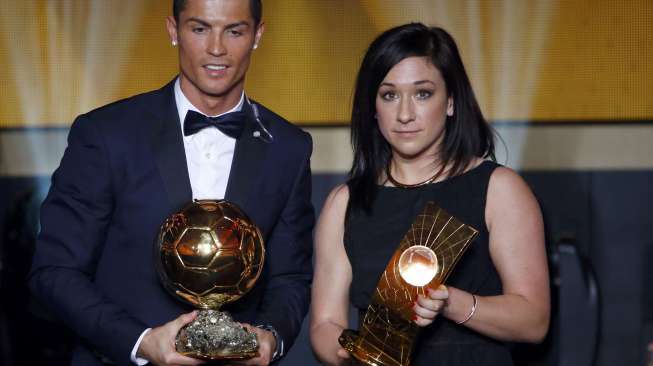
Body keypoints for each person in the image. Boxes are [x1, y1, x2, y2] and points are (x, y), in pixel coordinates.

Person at [29, 1, 314, 365]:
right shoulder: (106, 134)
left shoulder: (288, 147)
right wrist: (141, 342)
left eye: (234, 31)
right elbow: (54, 271)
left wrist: (271, 338)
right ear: (172, 30)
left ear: (257, 35)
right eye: (199, 29)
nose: (216, 48)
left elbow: (291, 277)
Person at [310, 23, 549, 365]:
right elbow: (324, 322)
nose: (405, 114)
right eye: (389, 95)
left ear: (450, 101)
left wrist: (452, 301)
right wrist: (351, 355)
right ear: (373, 107)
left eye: (422, 93)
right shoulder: (345, 202)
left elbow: (534, 321)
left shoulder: (499, 189)